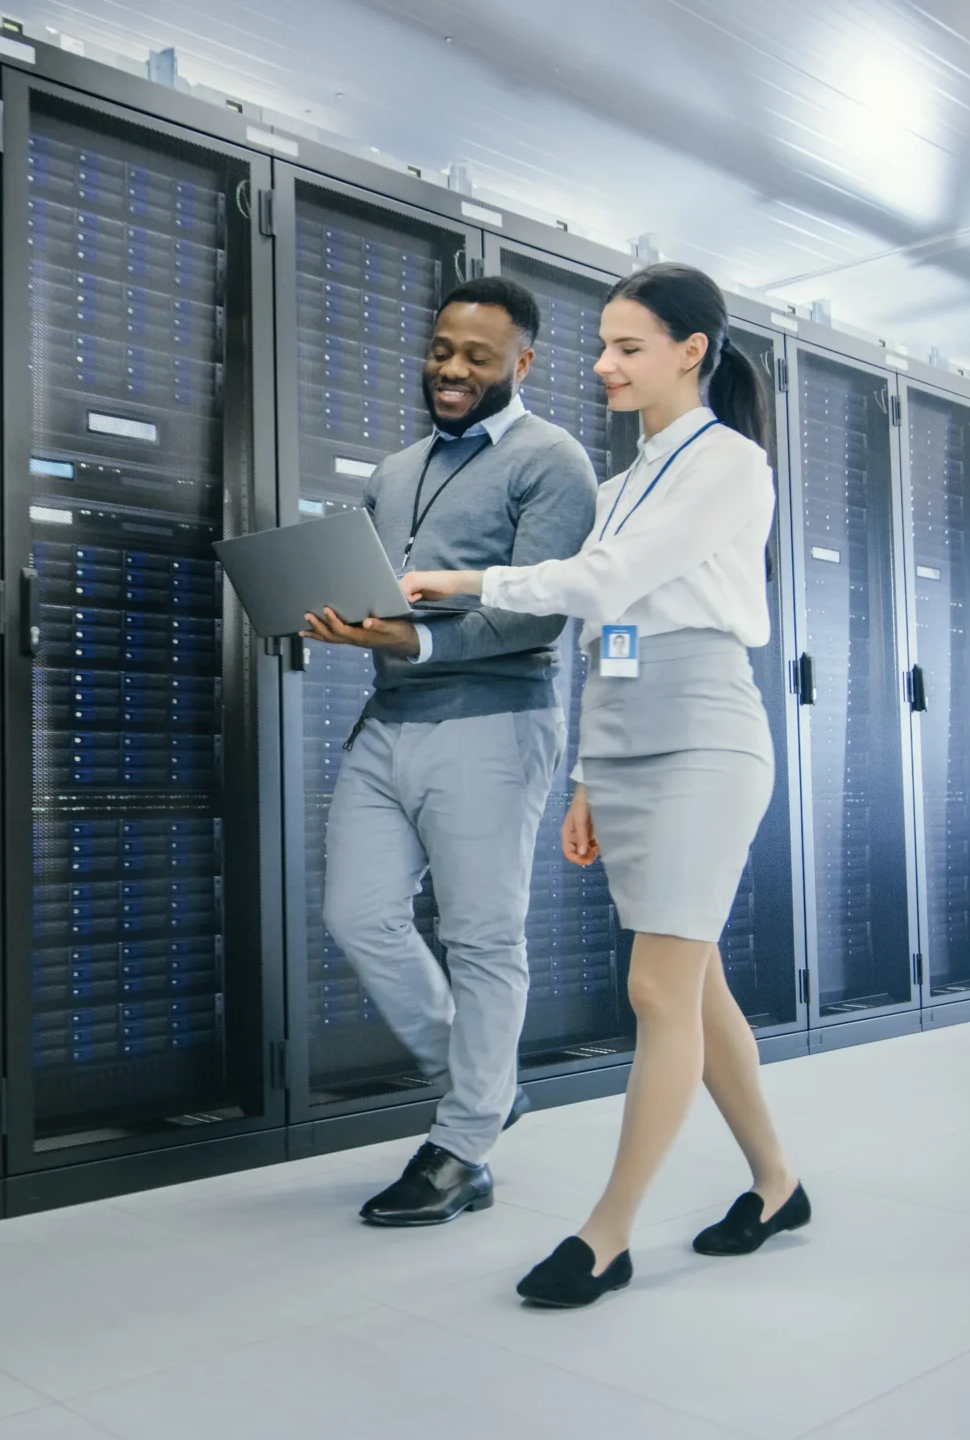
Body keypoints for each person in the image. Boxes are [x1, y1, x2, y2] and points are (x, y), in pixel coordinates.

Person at [402, 261, 808, 1306]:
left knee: (656, 989)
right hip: (625, 740)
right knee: (696, 984)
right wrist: (586, 774)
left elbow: (604, 581)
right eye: (603, 347)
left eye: (628, 347)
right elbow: (608, 637)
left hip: (705, 735)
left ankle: (607, 1233)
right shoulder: (621, 489)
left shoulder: (732, 464)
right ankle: (777, 1184)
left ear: (691, 352)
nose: (604, 366)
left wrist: (465, 578)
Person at [302, 276, 598, 1226]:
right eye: (441, 350)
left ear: (523, 361)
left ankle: (463, 1146)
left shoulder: (552, 461)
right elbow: (379, 591)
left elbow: (542, 610)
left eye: (477, 355)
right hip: (388, 719)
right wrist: (332, 615)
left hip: (493, 722)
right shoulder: (394, 471)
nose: (452, 370)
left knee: (481, 937)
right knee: (358, 914)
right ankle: (484, 1087)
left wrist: (414, 642)